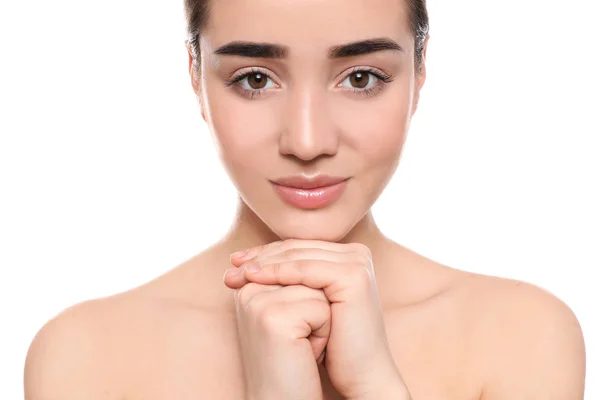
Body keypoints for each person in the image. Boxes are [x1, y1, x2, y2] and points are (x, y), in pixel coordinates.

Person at [23, 0, 586, 398]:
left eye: (361, 78)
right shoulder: (84, 357)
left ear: (419, 72)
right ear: (196, 76)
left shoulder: (522, 335)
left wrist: (375, 387)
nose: (308, 141)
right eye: (255, 79)